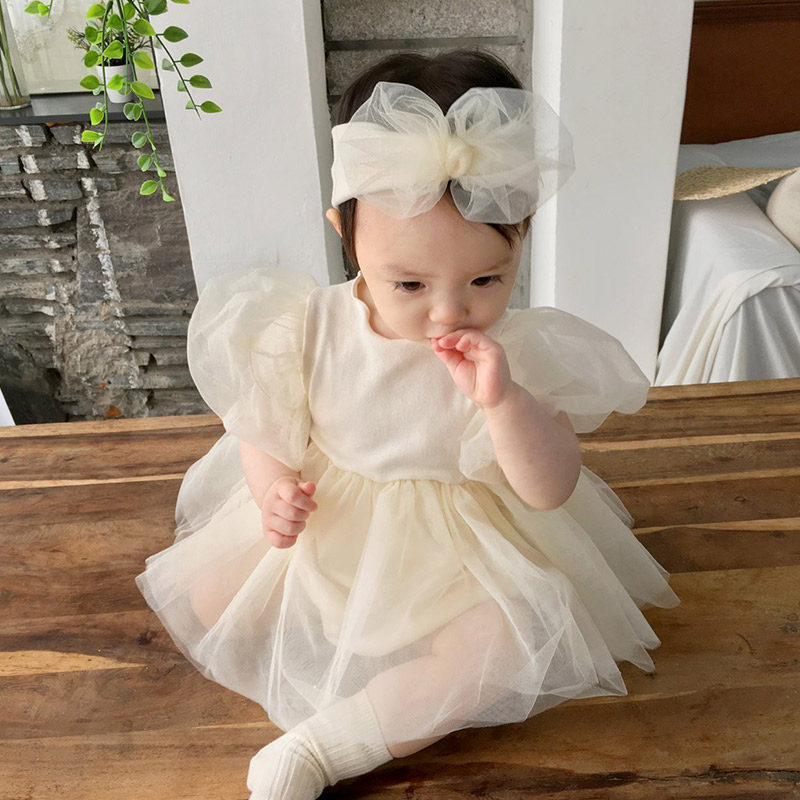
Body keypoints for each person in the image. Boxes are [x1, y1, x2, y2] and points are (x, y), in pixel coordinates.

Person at [135, 49, 681, 800]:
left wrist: (504, 402)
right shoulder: (303, 326)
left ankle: (324, 749)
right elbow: (262, 427)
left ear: (521, 237)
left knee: (508, 641)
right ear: (345, 232)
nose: (449, 311)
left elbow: (549, 488)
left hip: (464, 549)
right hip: (330, 523)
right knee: (208, 599)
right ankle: (341, 636)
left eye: (486, 278)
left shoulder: (515, 355)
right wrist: (272, 490)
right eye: (410, 283)